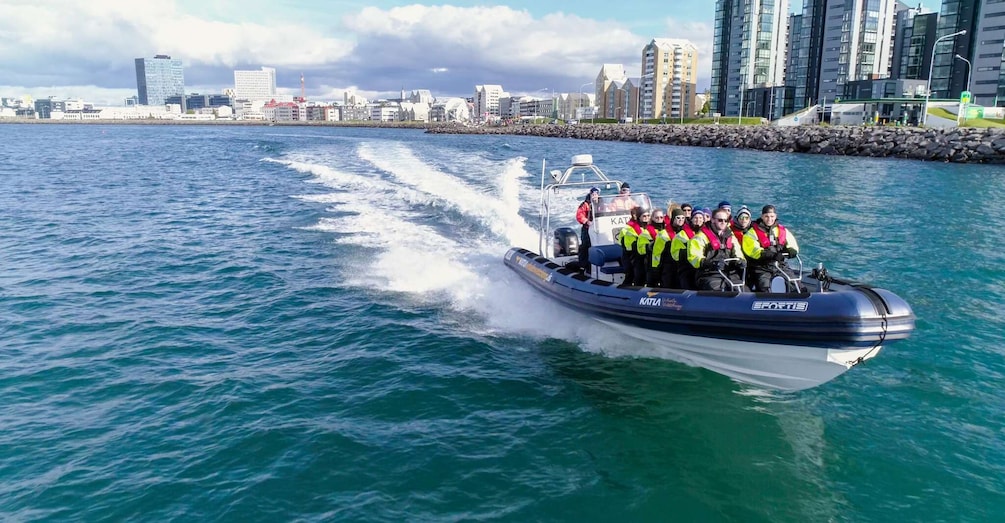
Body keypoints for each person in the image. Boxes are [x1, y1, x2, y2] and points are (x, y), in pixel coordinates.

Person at [742, 204, 801, 292]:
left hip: (780, 265)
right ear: (762, 216)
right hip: (761, 267)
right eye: (766, 216)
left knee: (797, 286)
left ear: (775, 216)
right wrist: (771, 255)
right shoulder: (751, 233)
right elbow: (752, 250)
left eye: (772, 216)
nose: (769, 219)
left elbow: (791, 242)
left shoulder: (782, 230)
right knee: (764, 288)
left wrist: (792, 250)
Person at [688, 207, 746, 291]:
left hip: (729, 273)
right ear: (712, 220)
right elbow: (694, 258)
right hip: (708, 274)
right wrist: (711, 263)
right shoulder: (700, 237)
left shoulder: (731, 236)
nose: (723, 223)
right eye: (720, 220)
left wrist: (741, 261)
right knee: (718, 289)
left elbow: (738, 253)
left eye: (725, 220)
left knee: (743, 290)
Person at [670, 206, 705, 289]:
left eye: (700, 218)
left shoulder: (706, 234)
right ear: (691, 219)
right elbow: (675, 254)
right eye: (695, 218)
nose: (698, 220)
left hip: (702, 268)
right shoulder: (681, 235)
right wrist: (690, 250)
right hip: (686, 268)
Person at [652, 207, 686, 287]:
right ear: (673, 218)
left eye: (682, 218)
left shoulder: (686, 233)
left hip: (680, 264)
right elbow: (656, 253)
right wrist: (655, 269)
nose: (680, 220)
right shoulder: (663, 234)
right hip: (667, 265)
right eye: (678, 218)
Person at [615, 206, 642, 286]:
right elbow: (622, 242)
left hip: (638, 255)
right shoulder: (627, 228)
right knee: (630, 274)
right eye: (633, 214)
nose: (635, 216)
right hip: (629, 255)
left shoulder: (644, 227)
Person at [576, 187, 600, 269]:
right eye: (593, 194)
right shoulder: (585, 205)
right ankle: (583, 264)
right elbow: (579, 215)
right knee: (585, 245)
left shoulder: (601, 204)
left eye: (596, 194)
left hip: (599, 228)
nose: (594, 196)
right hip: (587, 228)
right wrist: (586, 221)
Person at [634, 208, 659, 286]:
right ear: (639, 217)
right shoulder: (632, 230)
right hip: (638, 257)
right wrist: (649, 246)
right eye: (644, 216)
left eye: (648, 216)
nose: (646, 218)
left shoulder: (653, 229)